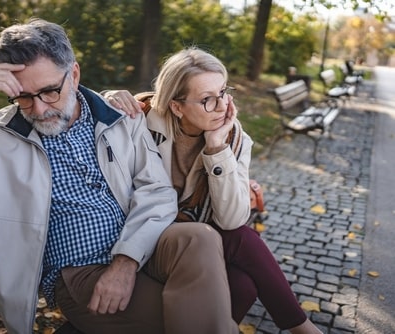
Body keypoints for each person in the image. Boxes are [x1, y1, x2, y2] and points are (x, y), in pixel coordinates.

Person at [0, 20, 241, 334]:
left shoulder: (118, 119)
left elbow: (157, 192)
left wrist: (125, 262)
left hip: (141, 249)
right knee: (205, 320)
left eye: (50, 91)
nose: (40, 109)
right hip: (79, 273)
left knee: (199, 238)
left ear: (74, 75)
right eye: (23, 97)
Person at [104, 47, 323, 334]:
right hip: (145, 236)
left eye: (223, 92)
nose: (221, 106)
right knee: (243, 240)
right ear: (176, 106)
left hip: (198, 241)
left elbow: (232, 219)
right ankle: (304, 329)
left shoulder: (234, 138)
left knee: (243, 284)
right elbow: (88, 115)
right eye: (207, 99)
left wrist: (217, 149)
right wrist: (109, 97)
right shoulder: (141, 121)